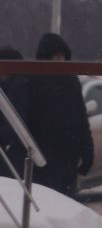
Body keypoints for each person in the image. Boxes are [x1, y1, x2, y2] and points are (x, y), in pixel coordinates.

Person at [0, 35, 90, 200]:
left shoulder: (71, 82)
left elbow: (81, 120)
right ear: (44, 58)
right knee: (45, 203)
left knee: (64, 203)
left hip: (65, 157)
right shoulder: (30, 82)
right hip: (41, 158)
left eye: (62, 57)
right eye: (55, 57)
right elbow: (19, 123)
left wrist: (86, 151)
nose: (59, 61)